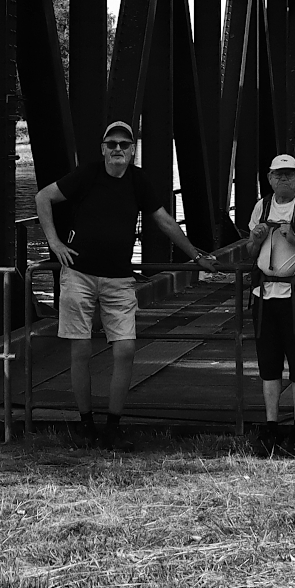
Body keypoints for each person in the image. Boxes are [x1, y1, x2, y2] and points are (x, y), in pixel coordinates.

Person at [34, 119, 206, 451]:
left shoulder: (138, 181)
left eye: (124, 144)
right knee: (80, 350)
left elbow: (163, 220)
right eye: (111, 144)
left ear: (132, 151)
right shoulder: (87, 174)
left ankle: (112, 427)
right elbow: (43, 198)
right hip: (79, 275)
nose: (117, 149)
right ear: (102, 149)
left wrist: (196, 255)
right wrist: (54, 243)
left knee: (125, 350)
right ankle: (86, 425)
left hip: (119, 278)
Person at [238, 153, 295, 456]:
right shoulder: (261, 206)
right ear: (269, 178)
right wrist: (256, 238)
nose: (283, 179)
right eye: (278, 174)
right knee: (268, 362)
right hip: (264, 294)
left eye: (289, 174)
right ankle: (271, 426)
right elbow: (250, 251)